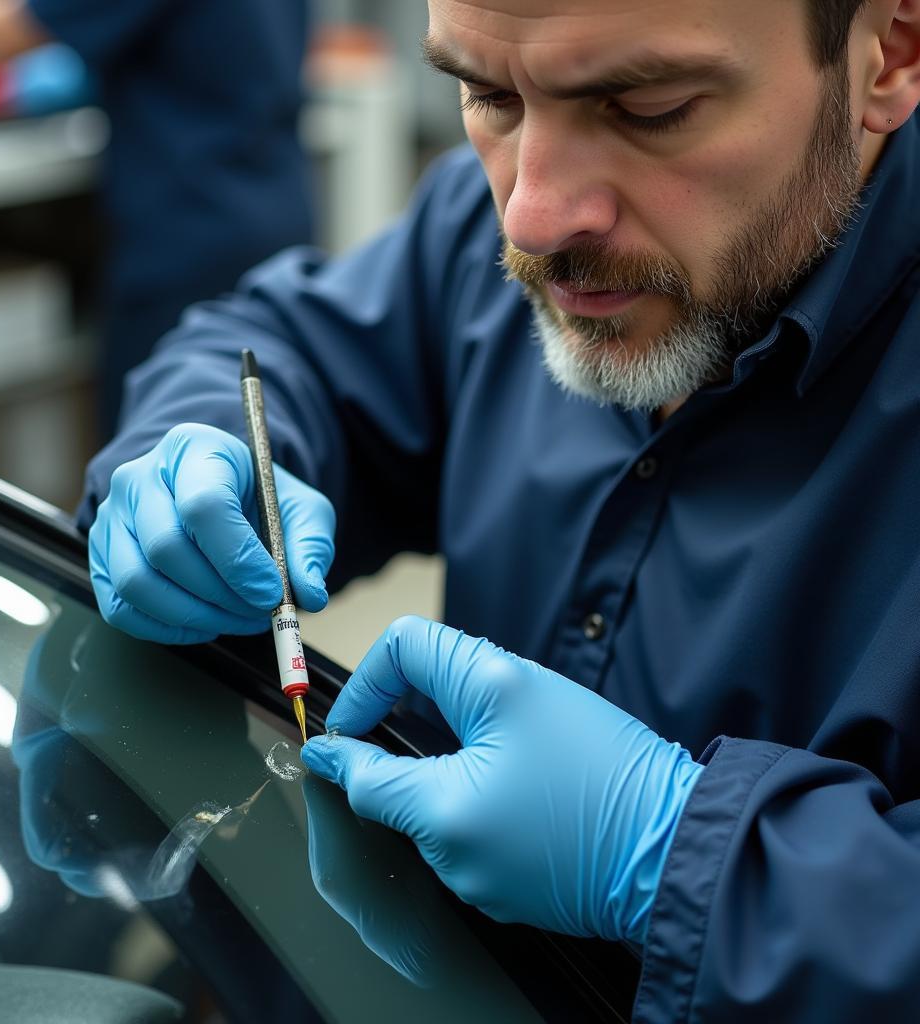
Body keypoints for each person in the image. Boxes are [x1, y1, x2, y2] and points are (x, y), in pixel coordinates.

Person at [76, 0, 920, 1020]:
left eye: (649, 107)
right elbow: (279, 348)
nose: (528, 215)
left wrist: (675, 856)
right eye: (485, 94)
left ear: (886, 54)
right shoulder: (492, 216)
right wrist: (193, 447)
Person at [0, 0, 313, 434]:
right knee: (255, 428)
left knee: (162, 442)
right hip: (273, 209)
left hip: (188, 234)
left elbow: (2, 31)